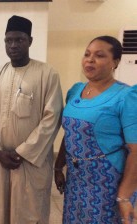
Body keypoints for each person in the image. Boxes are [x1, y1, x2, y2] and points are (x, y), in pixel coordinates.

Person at [0, 15, 63, 224]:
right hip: (0, 162)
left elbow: (51, 119)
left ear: (30, 41)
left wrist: (21, 152)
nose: (13, 45)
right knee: (0, 212)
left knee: (29, 212)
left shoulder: (47, 74)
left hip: (30, 162)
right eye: (9, 40)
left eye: (19, 40)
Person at [54, 35, 137, 224]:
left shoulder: (126, 96)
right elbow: (70, 132)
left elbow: (135, 150)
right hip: (76, 178)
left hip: (108, 182)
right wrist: (58, 166)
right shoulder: (76, 90)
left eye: (99, 55)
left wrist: (124, 195)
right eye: (87, 54)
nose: (90, 60)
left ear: (115, 62)